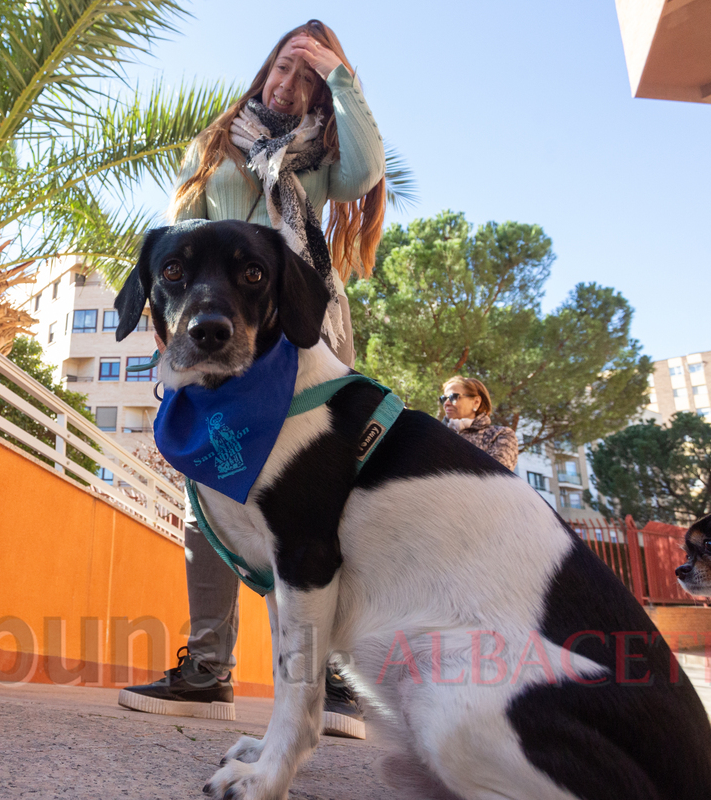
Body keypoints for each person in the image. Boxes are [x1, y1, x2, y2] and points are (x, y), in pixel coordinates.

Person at [118, 20, 385, 739]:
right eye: (283, 66)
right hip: (205, 333)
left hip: (296, 333)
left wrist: (340, 78)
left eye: (305, 75)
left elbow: (365, 173)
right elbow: (178, 230)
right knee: (205, 495)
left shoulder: (321, 157)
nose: (286, 82)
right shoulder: (216, 142)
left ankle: (325, 682)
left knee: (313, 507)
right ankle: (207, 669)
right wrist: (167, 325)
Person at [439, 376, 518, 470]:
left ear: (476, 402)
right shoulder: (435, 435)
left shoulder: (500, 435)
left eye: (453, 397)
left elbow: (494, 476)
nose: (446, 403)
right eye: (444, 399)